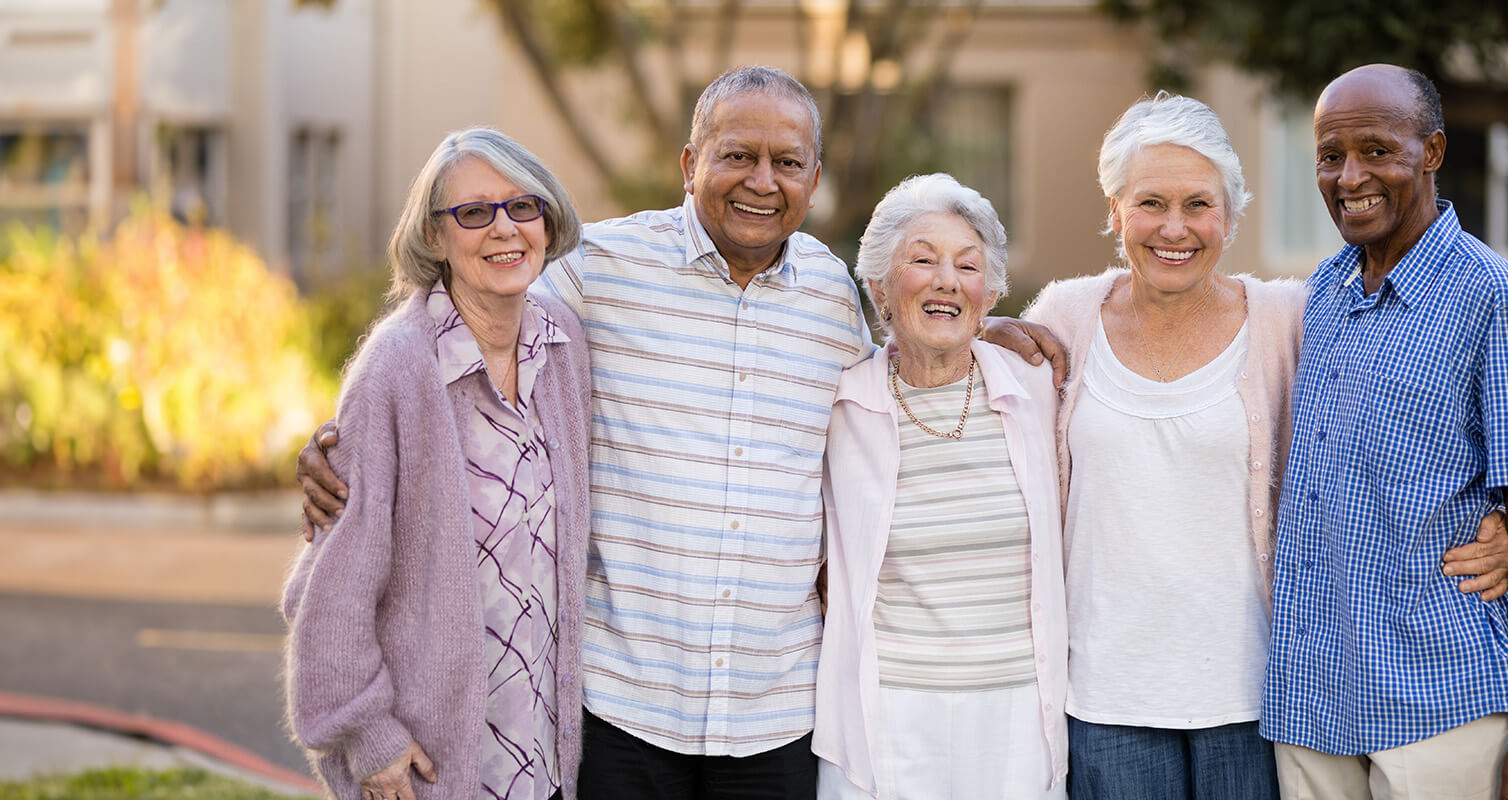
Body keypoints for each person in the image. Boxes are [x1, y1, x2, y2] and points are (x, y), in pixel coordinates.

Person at [294, 66, 1066, 800]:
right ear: (690, 163)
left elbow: (901, 361)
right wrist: (347, 436)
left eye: (786, 162)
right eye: (737, 156)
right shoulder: (600, 266)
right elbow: (473, 315)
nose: (762, 181)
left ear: (814, 181)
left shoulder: (833, 297)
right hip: (624, 709)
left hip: (778, 717)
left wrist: (979, 321)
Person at [1021, 93, 1508, 800]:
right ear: (1114, 210)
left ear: (1229, 215)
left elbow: (1396, 414)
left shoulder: (1290, 318)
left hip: (1257, 695)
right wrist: (990, 336)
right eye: (1150, 203)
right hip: (1106, 698)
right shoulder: (1062, 318)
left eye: (1198, 204)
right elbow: (995, 443)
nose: (1175, 228)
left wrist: (1497, 517)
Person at [1260, 64, 1508, 800]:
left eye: (1376, 150)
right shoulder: (1324, 293)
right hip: (1314, 706)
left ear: (1430, 153)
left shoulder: (1493, 297)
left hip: (1439, 705)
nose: (1349, 176)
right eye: (1331, 156)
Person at [282, 127, 591, 800]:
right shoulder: (396, 369)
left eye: (523, 207)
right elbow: (326, 590)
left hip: (542, 755)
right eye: (475, 213)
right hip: (430, 765)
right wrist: (368, 737)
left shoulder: (564, 349)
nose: (505, 229)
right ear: (435, 236)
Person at [813, 174, 1067, 799]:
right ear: (879, 286)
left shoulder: (1039, 389)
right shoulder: (839, 405)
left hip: (1018, 710)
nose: (946, 280)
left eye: (968, 266)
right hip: (886, 711)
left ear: (991, 293)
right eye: (922, 260)